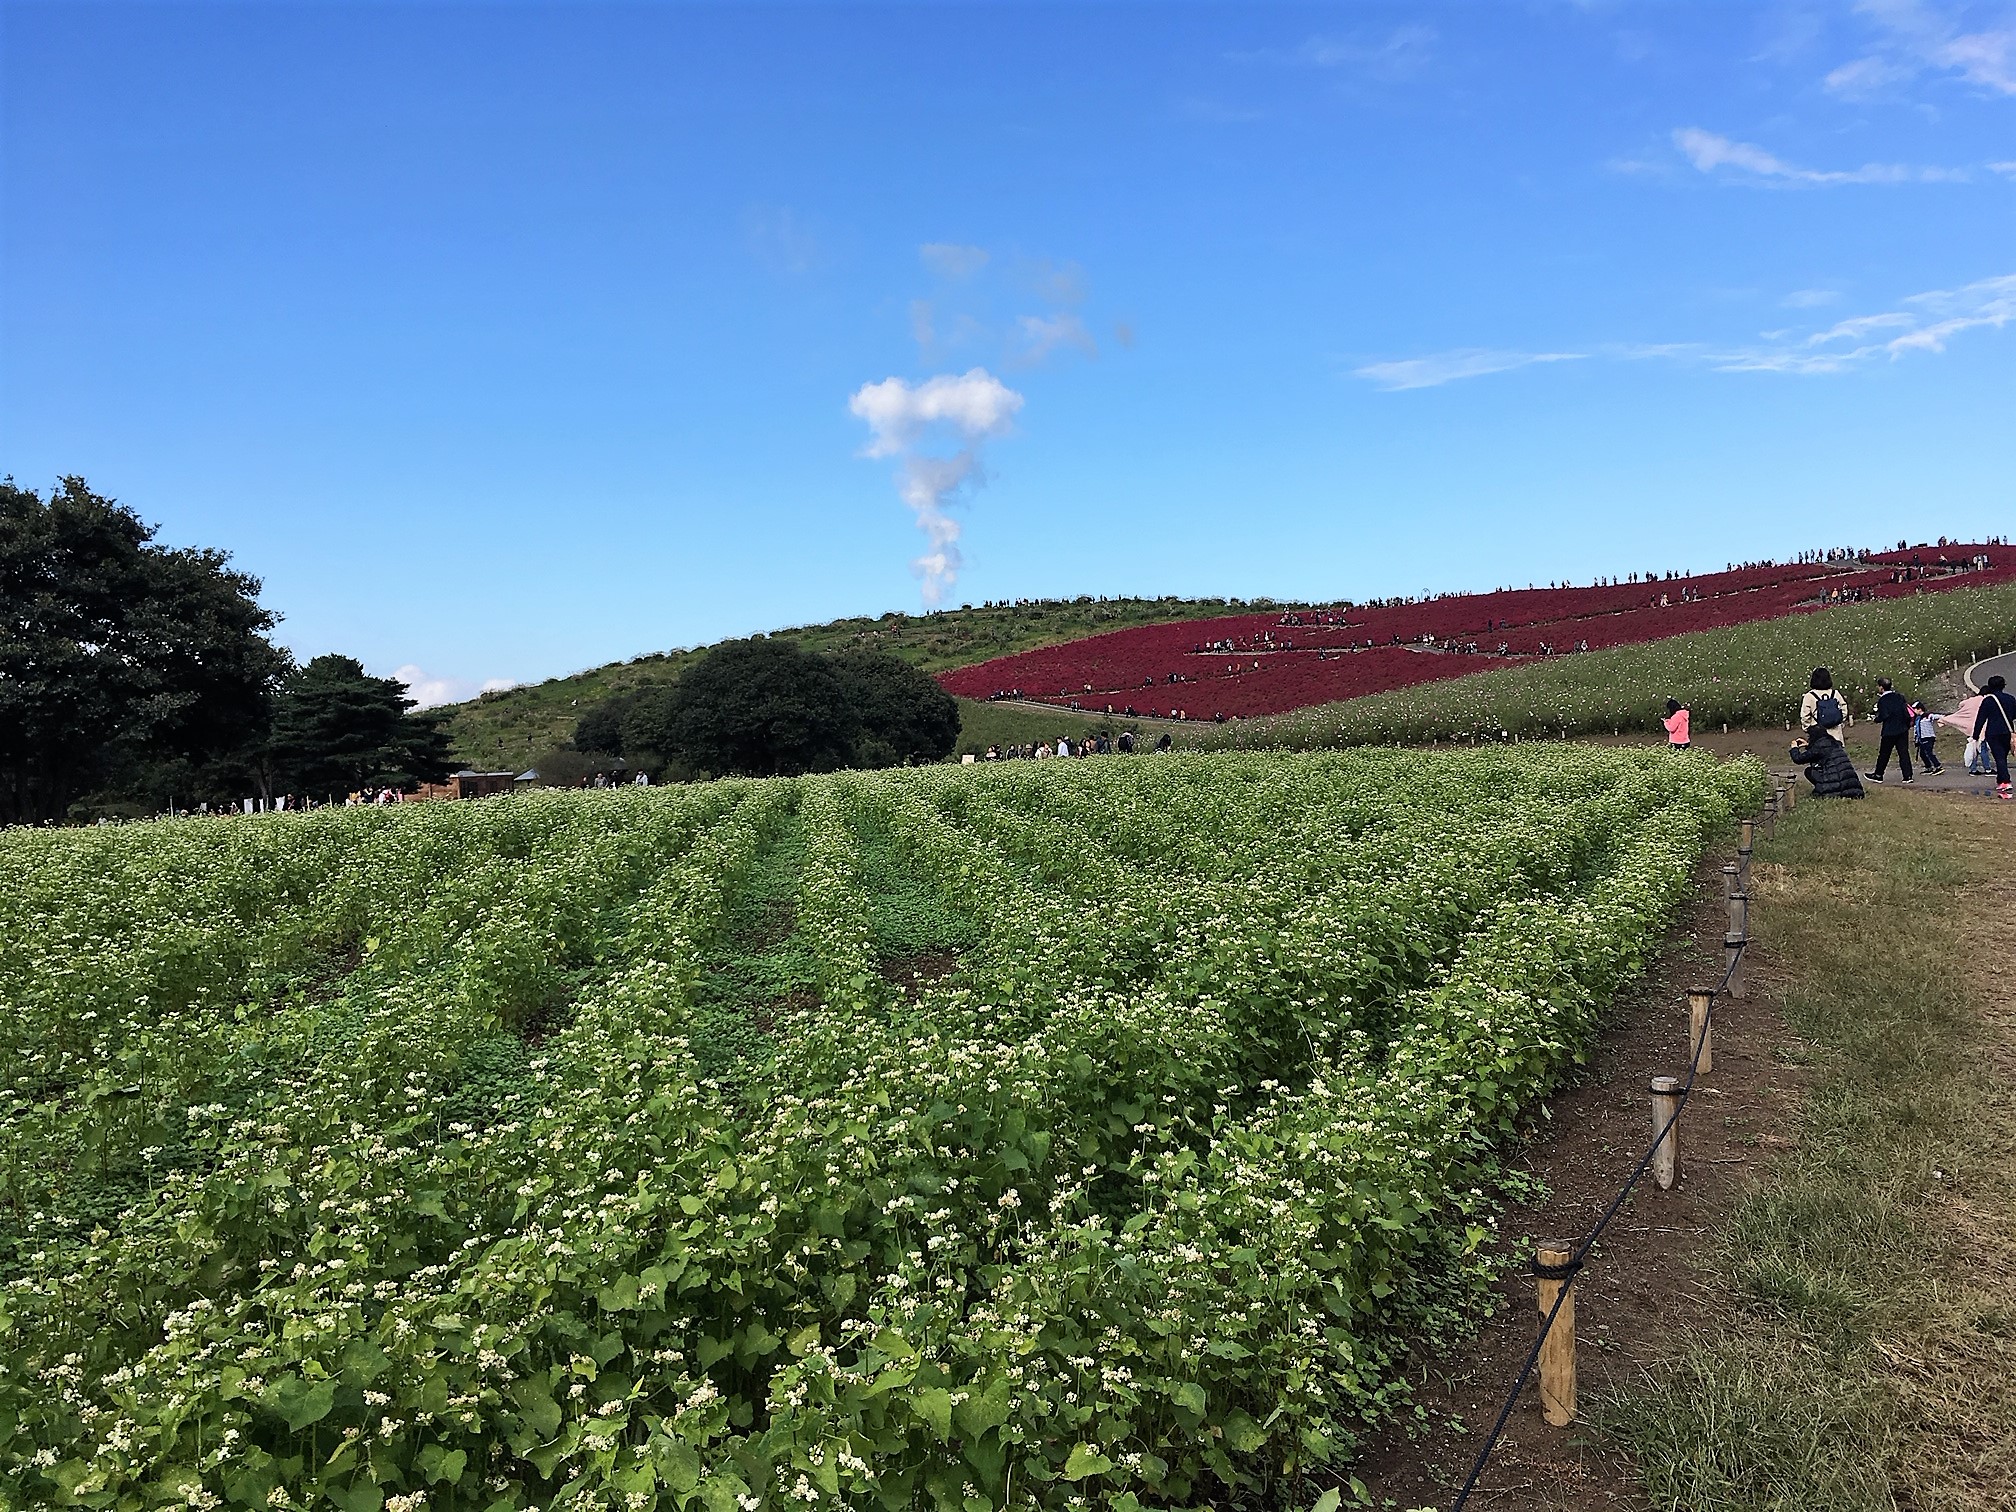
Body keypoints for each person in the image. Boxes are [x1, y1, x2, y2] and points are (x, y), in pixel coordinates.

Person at [1971, 673, 2016, 799]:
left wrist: (1975, 736)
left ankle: (2005, 782)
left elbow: (1980, 719)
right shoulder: (2010, 699)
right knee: (2003, 757)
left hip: (1993, 733)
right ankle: (2000, 780)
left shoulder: (1988, 701)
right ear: (2003, 686)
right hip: (2008, 731)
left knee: (1999, 757)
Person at [1791, 727, 1864, 798]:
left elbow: (1798, 759)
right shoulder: (1834, 743)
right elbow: (1820, 752)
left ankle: (1825, 789)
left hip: (1837, 788)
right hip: (1853, 787)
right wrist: (1808, 745)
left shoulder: (1819, 747)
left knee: (1809, 771)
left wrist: (1794, 748)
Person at [1867, 677, 1914, 784]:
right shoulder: (1899, 697)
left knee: (1884, 753)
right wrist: (1906, 725)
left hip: (1889, 730)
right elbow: (1906, 712)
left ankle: (1878, 775)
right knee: (1903, 753)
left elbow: (1884, 715)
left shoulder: (1883, 700)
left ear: (1881, 688)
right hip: (1902, 729)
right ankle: (1908, 776)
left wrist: (1876, 719)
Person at [1799, 667, 1846, 739]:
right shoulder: (1835, 693)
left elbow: (1805, 716)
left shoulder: (1809, 696)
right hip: (1835, 732)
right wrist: (1839, 722)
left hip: (1817, 733)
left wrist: (1807, 729)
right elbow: (1844, 709)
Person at [1911, 703, 1943, 773]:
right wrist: (1916, 739)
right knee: (1922, 754)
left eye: (1915, 709)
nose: (1914, 710)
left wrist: (1944, 717)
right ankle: (1928, 767)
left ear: (1920, 709)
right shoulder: (1916, 719)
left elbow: (1935, 716)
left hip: (1928, 737)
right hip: (1921, 738)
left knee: (1928, 752)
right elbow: (1916, 729)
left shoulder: (1927, 716)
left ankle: (1938, 766)